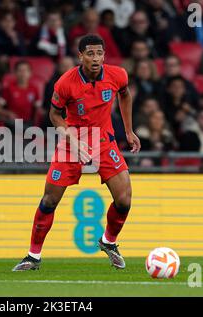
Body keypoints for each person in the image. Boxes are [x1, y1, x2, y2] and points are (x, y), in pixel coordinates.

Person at [12, 35, 141, 271]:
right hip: (72, 142)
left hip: (104, 140)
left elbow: (125, 94)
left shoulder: (118, 75)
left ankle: (109, 242)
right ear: (80, 56)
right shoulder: (65, 83)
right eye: (90, 54)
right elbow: (54, 115)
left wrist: (129, 130)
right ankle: (33, 256)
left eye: (99, 53)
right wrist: (72, 138)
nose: (96, 58)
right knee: (50, 199)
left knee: (124, 199)